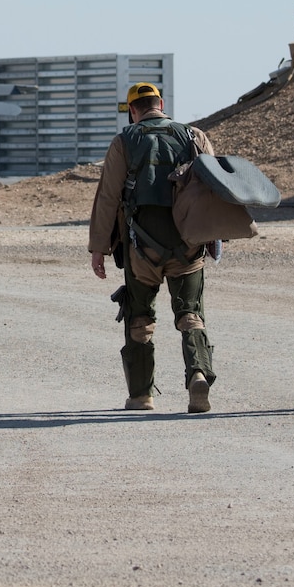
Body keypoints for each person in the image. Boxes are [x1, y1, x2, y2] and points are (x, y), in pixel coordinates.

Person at [89, 83, 218, 413]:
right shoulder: (194, 137)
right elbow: (214, 189)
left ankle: (141, 395)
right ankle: (198, 374)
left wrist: (99, 248)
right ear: (160, 103)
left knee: (140, 317)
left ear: (133, 110)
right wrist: (213, 238)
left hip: (141, 248)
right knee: (190, 315)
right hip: (188, 245)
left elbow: (107, 198)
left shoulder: (124, 142)